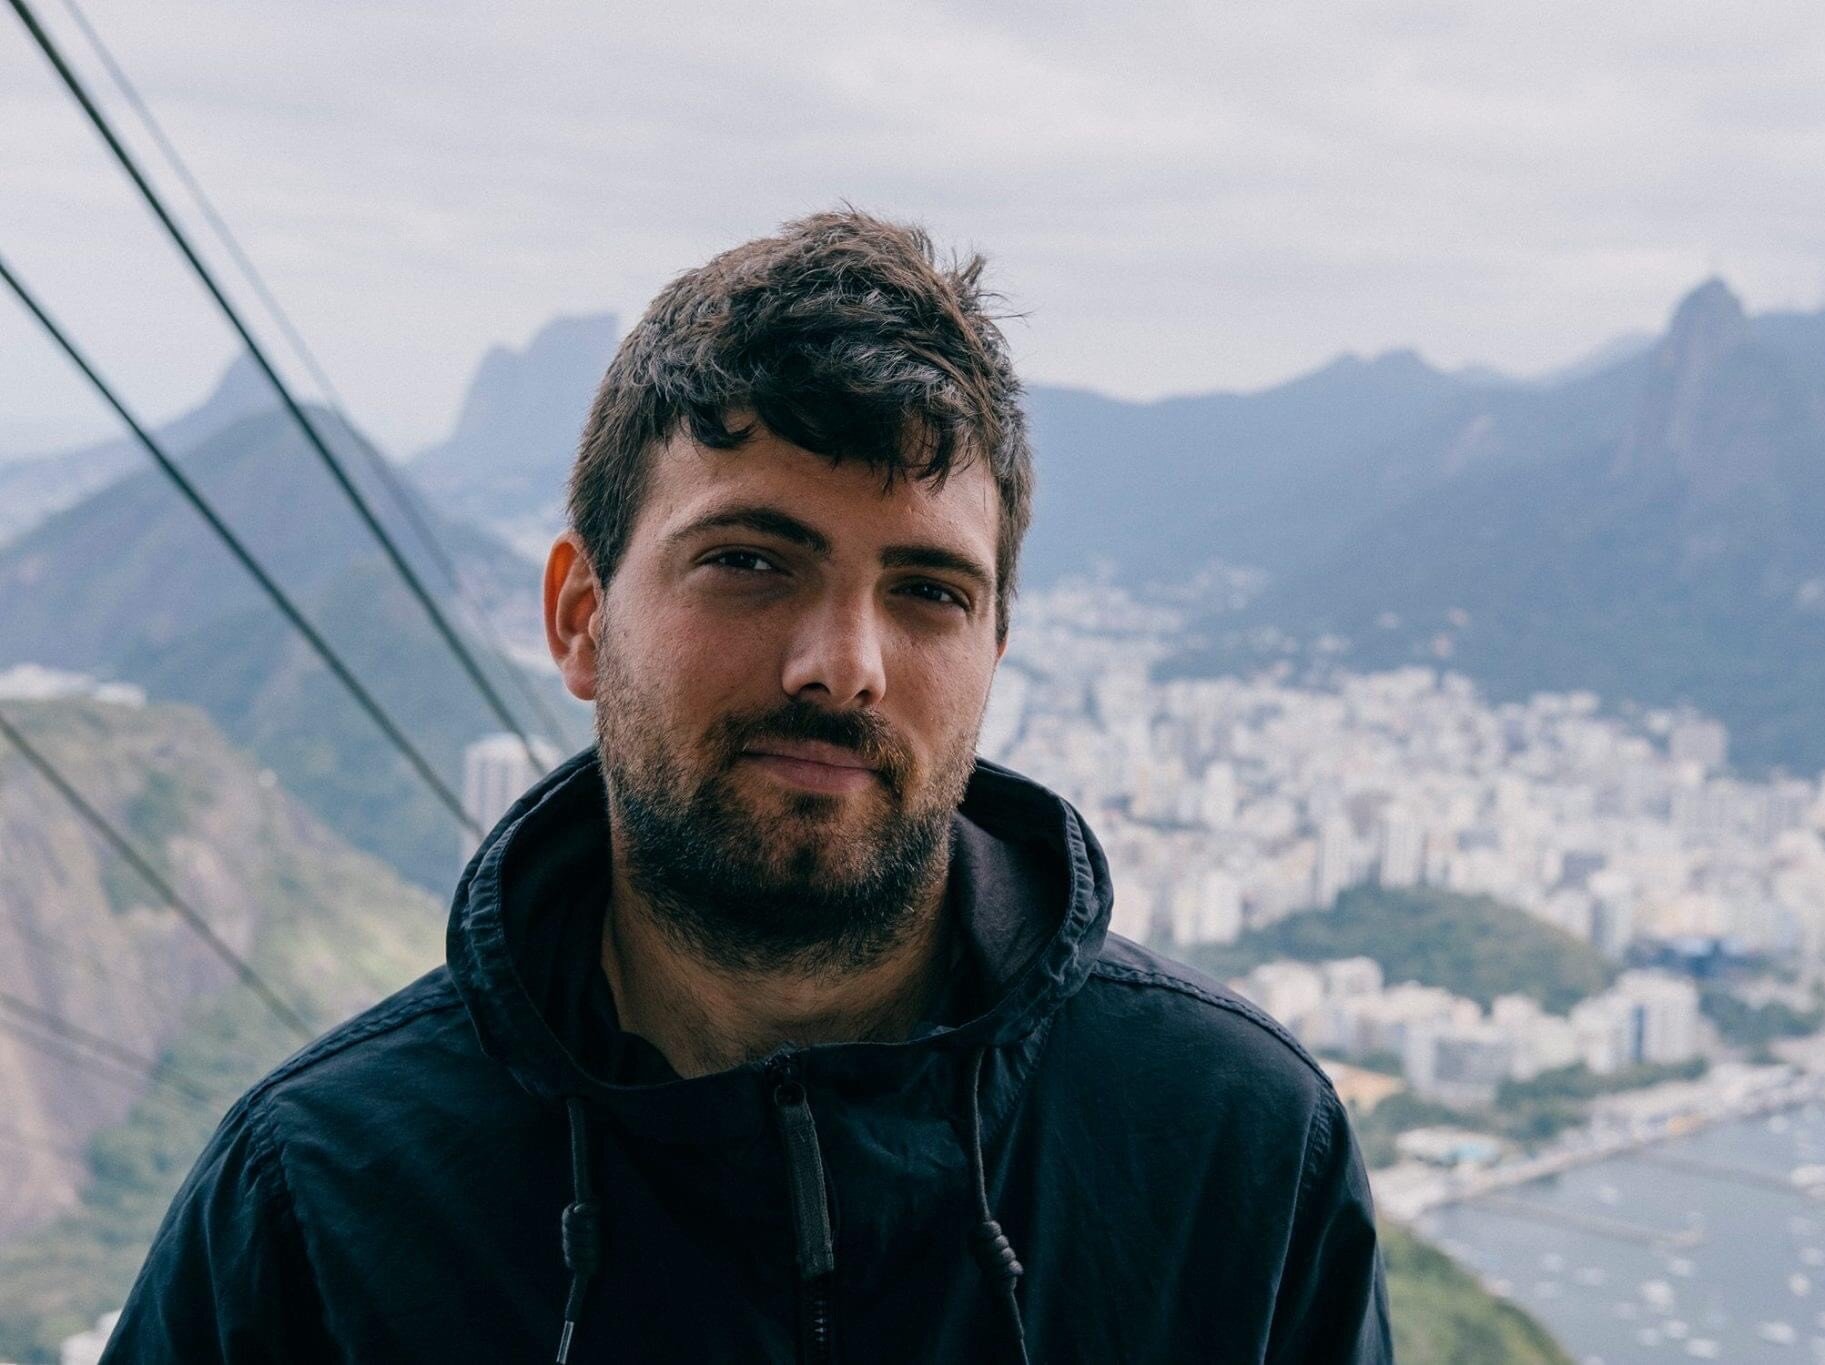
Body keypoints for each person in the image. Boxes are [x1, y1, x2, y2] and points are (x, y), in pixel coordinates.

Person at [105, 209, 1393, 1363]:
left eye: (929, 592)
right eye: (750, 562)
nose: (845, 665)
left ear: (995, 649)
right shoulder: (319, 1197)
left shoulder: (1236, 1151)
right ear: (581, 617)